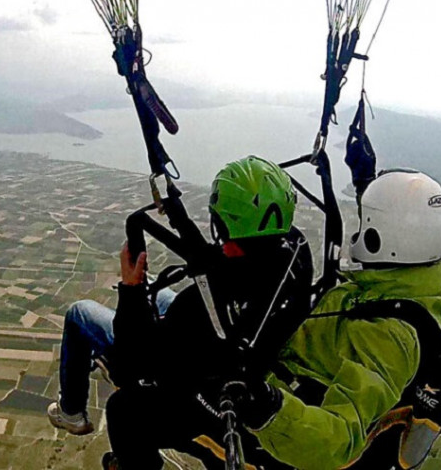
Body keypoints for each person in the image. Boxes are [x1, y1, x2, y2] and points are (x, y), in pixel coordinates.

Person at [105, 164, 441, 469]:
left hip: (276, 437)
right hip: (287, 382)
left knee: (125, 411)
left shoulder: (391, 337)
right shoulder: (411, 286)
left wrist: (266, 407)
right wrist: (364, 176)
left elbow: (340, 439)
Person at [48, 155, 313, 439]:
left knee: (79, 314)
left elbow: (133, 362)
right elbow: (215, 262)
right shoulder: (292, 254)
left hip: (191, 369)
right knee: (158, 289)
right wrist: (178, 216)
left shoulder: (199, 307)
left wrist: (131, 289)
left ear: (222, 225)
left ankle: (72, 413)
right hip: (237, 345)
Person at [46, 290, 176, 435]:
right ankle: (108, 353)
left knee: (77, 312)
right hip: (197, 317)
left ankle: (71, 412)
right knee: (150, 290)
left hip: (172, 353)